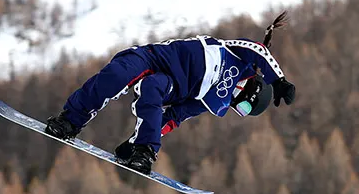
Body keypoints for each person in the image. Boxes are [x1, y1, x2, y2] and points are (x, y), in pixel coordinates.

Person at [43, 13, 297, 174]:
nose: (236, 108)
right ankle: (70, 121)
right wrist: (280, 80)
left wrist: (136, 142)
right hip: (151, 57)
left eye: (242, 113)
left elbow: (174, 117)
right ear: (251, 88)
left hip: (169, 85)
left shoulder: (214, 102)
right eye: (244, 107)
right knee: (115, 77)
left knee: (152, 89)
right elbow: (258, 49)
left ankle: (144, 152)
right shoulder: (241, 58)